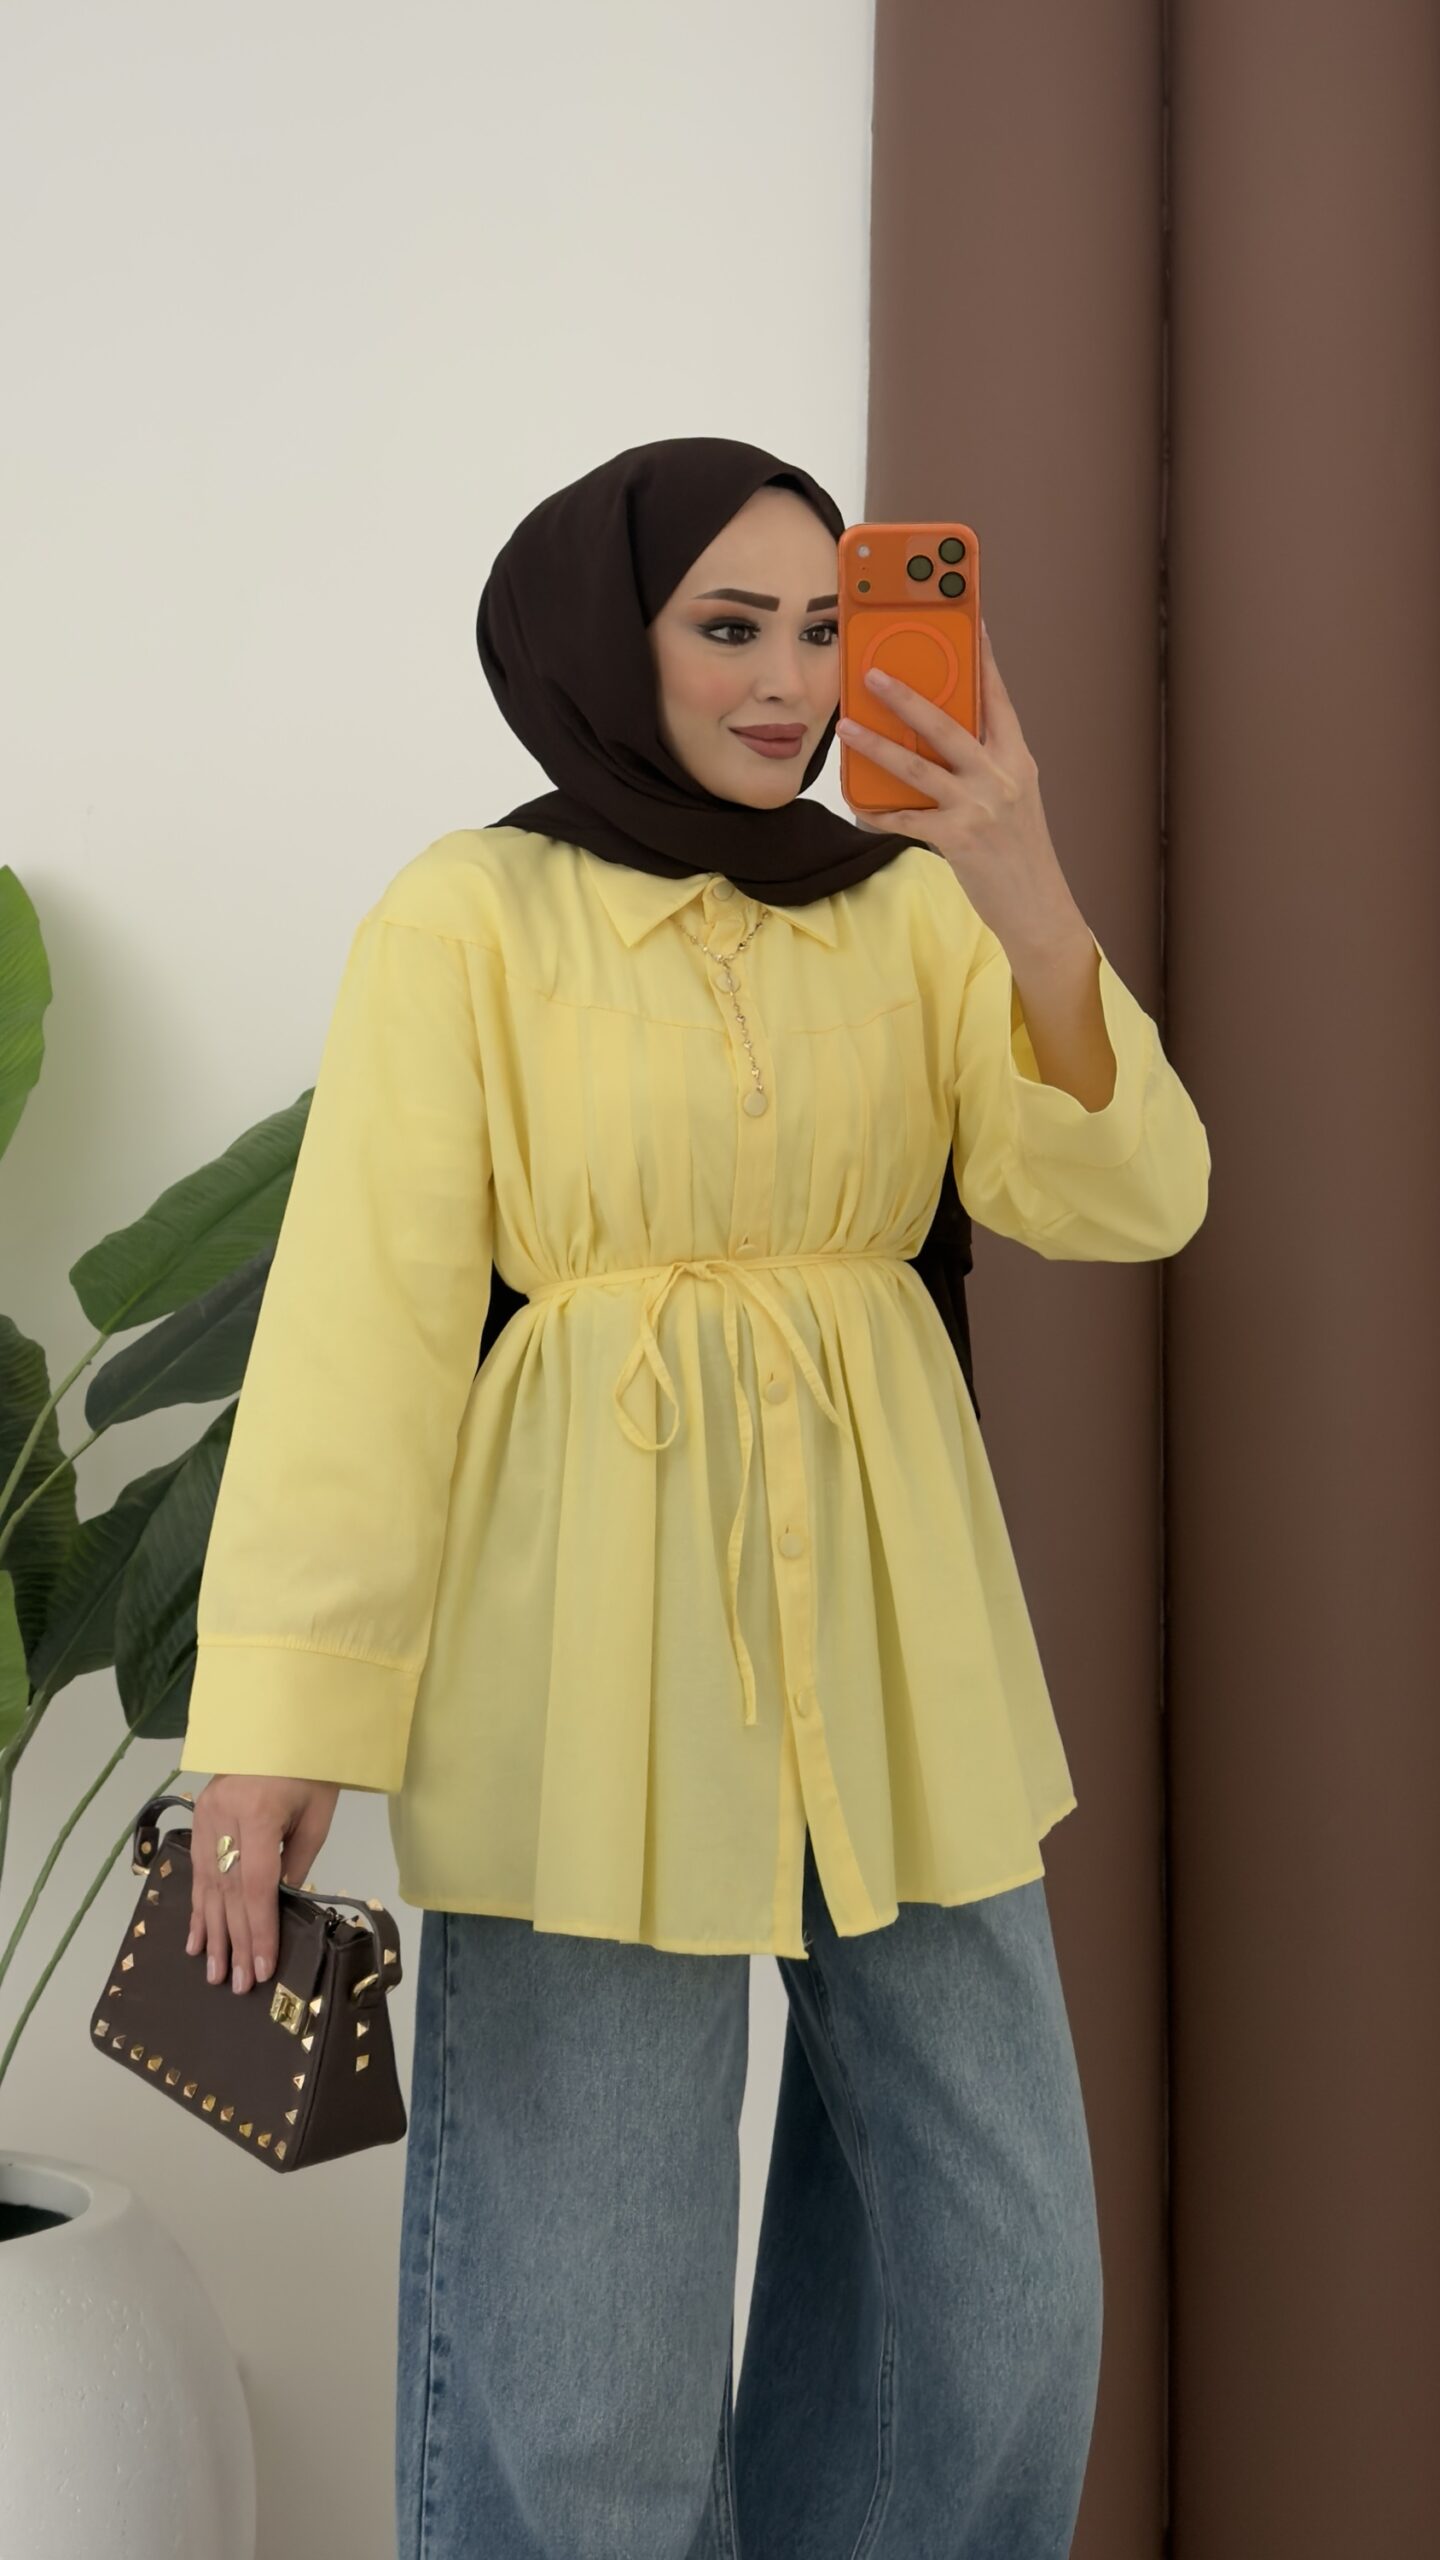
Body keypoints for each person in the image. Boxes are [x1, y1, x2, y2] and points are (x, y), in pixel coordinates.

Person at [178, 437, 1210, 2558]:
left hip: (899, 1651)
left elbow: (1129, 1197)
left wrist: (1023, 880)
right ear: (605, 636)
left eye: (823, 628)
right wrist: (278, 1723)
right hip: (585, 1666)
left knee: (1006, 2296)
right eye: (729, 626)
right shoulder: (468, 915)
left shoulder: (910, 909)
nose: (788, 680)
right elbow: (364, 1331)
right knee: (592, 2373)